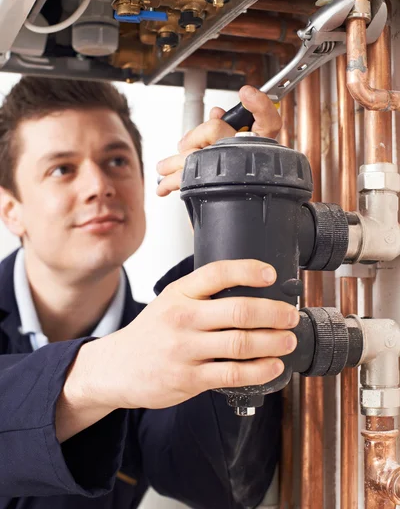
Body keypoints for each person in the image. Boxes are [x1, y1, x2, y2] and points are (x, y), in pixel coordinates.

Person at [0, 77, 298, 509]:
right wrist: (100, 373)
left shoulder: (164, 339)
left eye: (116, 160)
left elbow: (218, 486)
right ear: (12, 210)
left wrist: (235, 222)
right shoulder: (139, 352)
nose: (99, 186)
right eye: (62, 168)